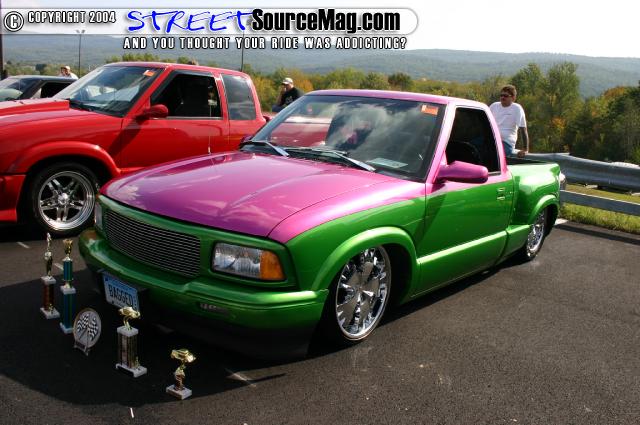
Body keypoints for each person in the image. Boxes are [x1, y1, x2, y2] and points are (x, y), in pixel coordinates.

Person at [489, 84, 529, 158]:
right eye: (501, 95)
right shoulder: (494, 106)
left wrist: (525, 149)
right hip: (491, 139)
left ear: (513, 98)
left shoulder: (517, 108)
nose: (502, 97)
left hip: (506, 143)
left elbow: (523, 129)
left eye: (506, 96)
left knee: (493, 155)